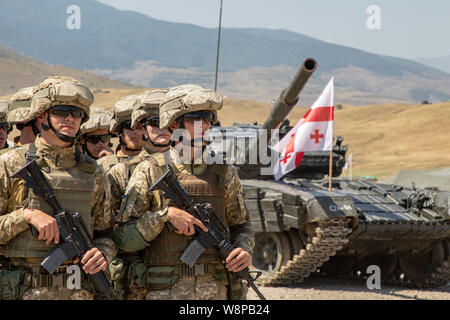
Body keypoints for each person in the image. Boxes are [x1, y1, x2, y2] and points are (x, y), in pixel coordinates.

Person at [114, 84, 254, 300]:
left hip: (215, 291)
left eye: (208, 118)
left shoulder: (225, 172)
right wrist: (163, 217)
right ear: (173, 124)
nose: (205, 125)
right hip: (162, 291)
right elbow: (122, 239)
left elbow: (241, 224)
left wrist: (244, 249)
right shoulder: (150, 169)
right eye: (196, 119)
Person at [0, 76, 116, 300]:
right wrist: (26, 216)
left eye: (77, 113)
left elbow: (107, 233)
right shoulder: (11, 164)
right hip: (24, 290)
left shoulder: (94, 172)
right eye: (62, 111)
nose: (70, 118)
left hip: (78, 291)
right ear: (42, 115)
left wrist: (103, 253)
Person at [97, 95, 144, 173]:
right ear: (118, 130)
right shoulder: (105, 166)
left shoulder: (157, 161)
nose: (136, 131)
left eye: (140, 126)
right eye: (130, 126)